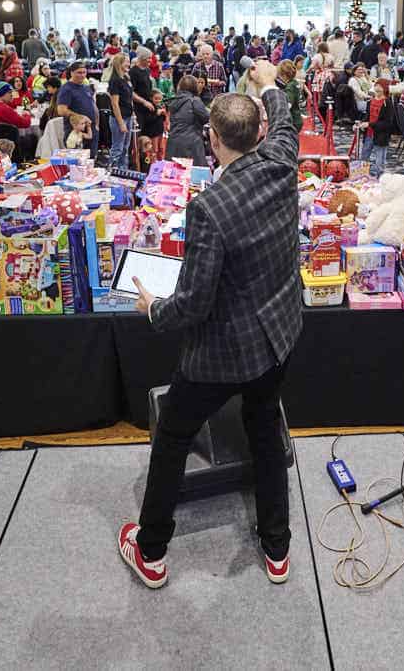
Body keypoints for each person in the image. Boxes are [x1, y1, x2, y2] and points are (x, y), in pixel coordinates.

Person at [120, 59, 299, 589]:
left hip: (223, 350)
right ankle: (277, 548)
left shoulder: (210, 208)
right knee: (264, 429)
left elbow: (195, 303)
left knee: (174, 434)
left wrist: (152, 307)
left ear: (213, 139)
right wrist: (269, 82)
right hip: (278, 335)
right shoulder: (282, 160)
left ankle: (151, 550)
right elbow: (284, 114)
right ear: (259, 132)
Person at [54, 60, 99, 152]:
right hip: (76, 131)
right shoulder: (66, 89)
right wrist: (81, 117)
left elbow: (93, 105)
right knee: (77, 158)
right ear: (71, 73)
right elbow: (61, 110)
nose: (82, 75)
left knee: (91, 157)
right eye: (79, 72)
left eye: (84, 72)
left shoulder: (86, 87)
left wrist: (97, 124)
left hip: (91, 129)